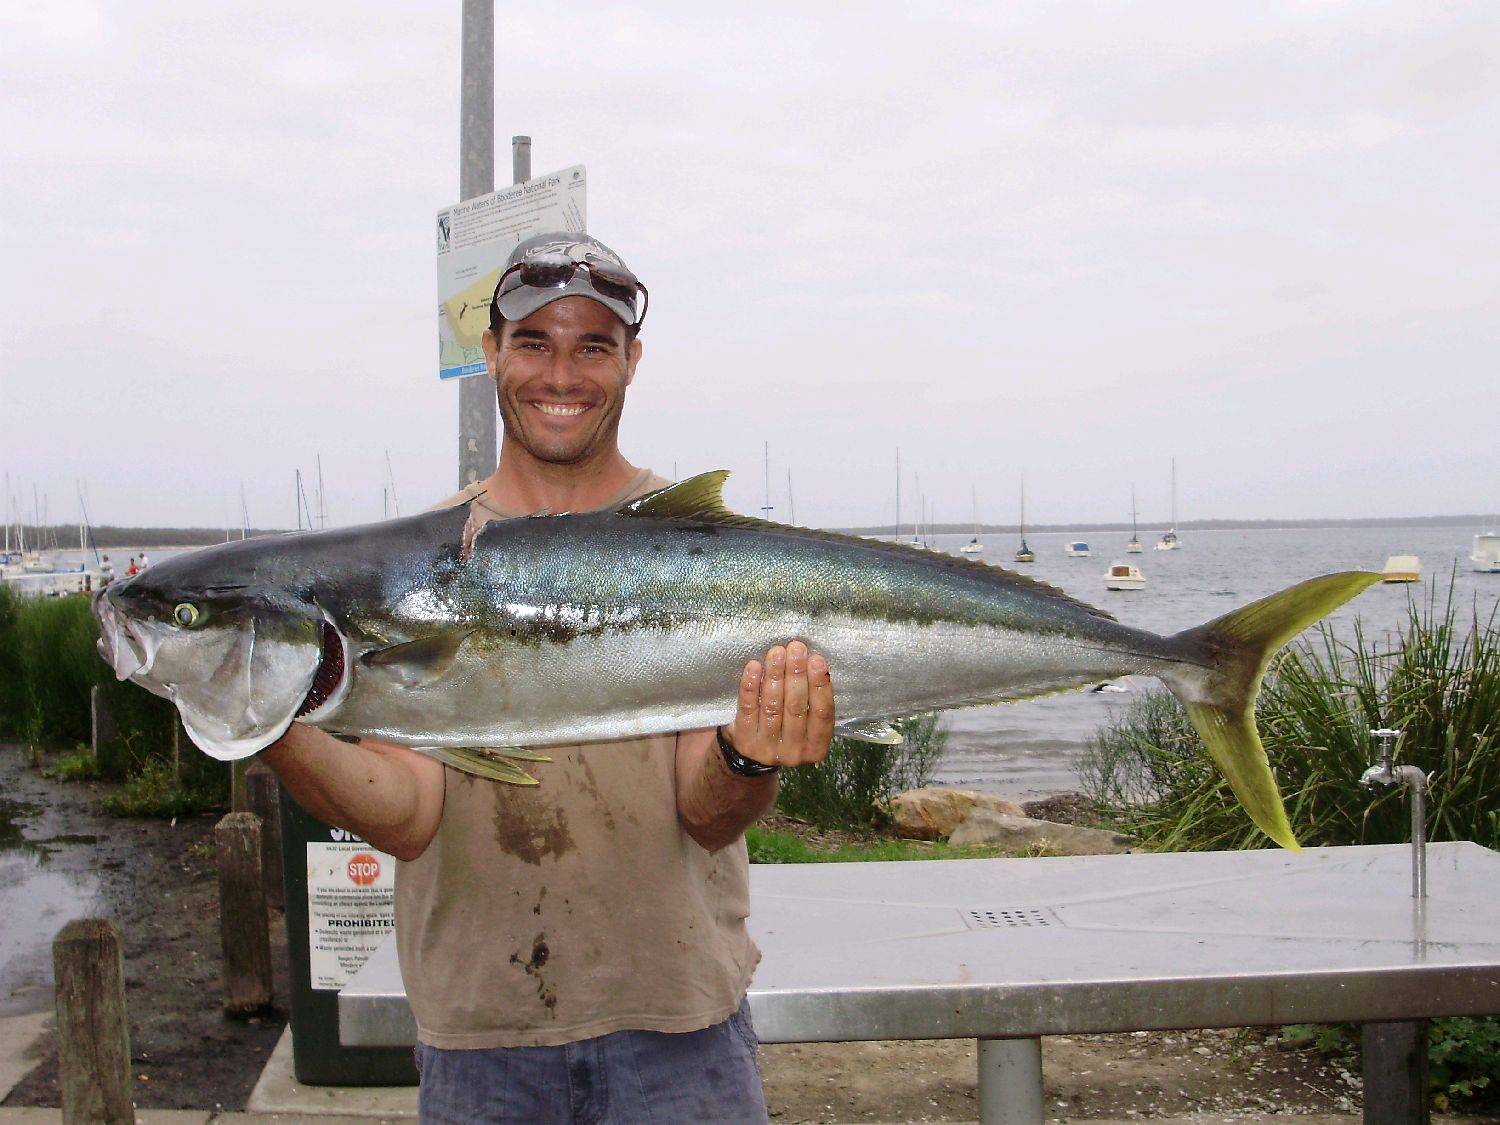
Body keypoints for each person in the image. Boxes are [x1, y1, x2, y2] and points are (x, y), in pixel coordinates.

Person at [263, 232, 836, 1123]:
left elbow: (704, 809)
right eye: (533, 342)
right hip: (481, 1042)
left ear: (631, 362)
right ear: (490, 352)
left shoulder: (695, 552)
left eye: (592, 346)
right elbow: (410, 812)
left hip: (678, 1032)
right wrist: (272, 726)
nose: (560, 374)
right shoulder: (415, 566)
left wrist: (748, 757)